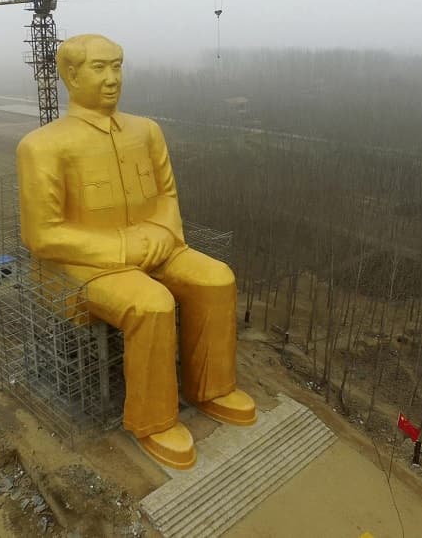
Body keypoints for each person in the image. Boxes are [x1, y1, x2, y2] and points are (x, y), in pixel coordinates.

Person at [16, 34, 255, 469]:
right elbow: (42, 234)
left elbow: (168, 195)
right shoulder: (43, 146)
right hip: (83, 264)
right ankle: (153, 420)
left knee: (217, 278)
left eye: (117, 66)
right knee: (151, 304)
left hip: (157, 245)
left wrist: (165, 231)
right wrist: (124, 246)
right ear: (69, 75)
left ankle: (212, 388)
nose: (112, 79)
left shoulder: (147, 131)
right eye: (99, 68)